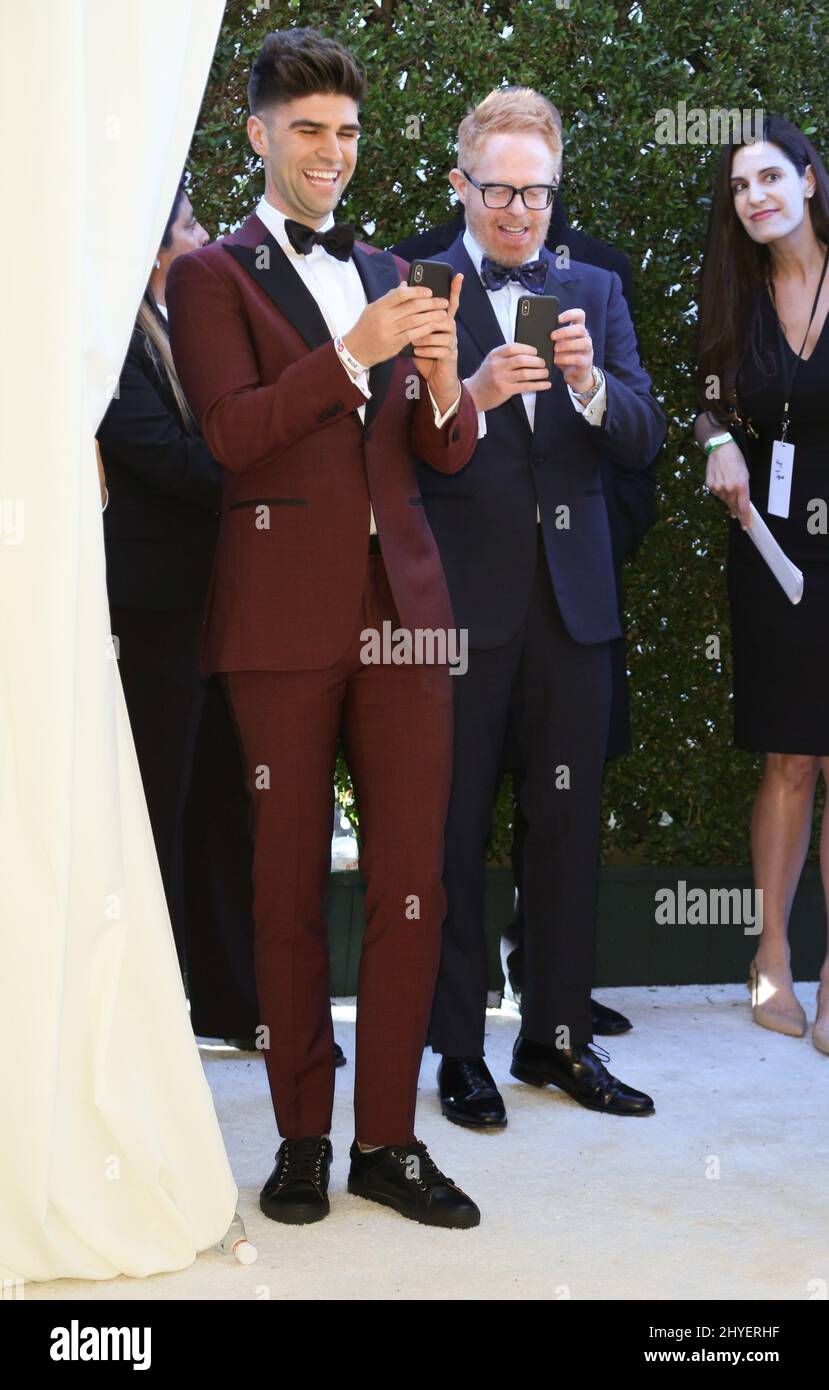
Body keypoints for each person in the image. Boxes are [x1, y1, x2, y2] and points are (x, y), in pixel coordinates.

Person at [167, 27, 481, 1228]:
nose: (331, 154)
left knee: (416, 882)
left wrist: (445, 381)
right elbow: (233, 436)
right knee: (284, 883)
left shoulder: (395, 267)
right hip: (278, 618)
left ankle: (388, 1141)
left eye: (346, 132)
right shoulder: (212, 278)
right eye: (308, 131)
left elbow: (441, 452)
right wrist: (352, 353)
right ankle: (302, 1133)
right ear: (258, 135)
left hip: (405, 615)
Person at [417, 88, 665, 1130]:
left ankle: (555, 1045)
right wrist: (468, 391)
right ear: (461, 184)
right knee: (453, 829)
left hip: (573, 609)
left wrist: (594, 388)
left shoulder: (595, 289)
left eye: (536, 191)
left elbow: (645, 437)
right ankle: (460, 1053)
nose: (518, 210)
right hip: (463, 611)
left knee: (566, 831)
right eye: (499, 189)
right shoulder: (416, 285)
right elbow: (387, 444)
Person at [97, 183, 259, 1044]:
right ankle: (151, 1019)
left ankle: (234, 1004)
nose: (205, 236)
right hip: (152, 612)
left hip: (212, 603)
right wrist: (253, 468)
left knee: (223, 805)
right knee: (158, 801)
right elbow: (157, 452)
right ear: (154, 240)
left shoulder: (177, 324)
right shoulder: (109, 336)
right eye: (192, 223)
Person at [695, 113, 829, 1054]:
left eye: (770, 177)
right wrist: (714, 444)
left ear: (810, 181)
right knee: (787, 757)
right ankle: (772, 957)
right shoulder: (731, 298)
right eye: (740, 186)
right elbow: (704, 398)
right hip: (773, 552)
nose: (756, 197)